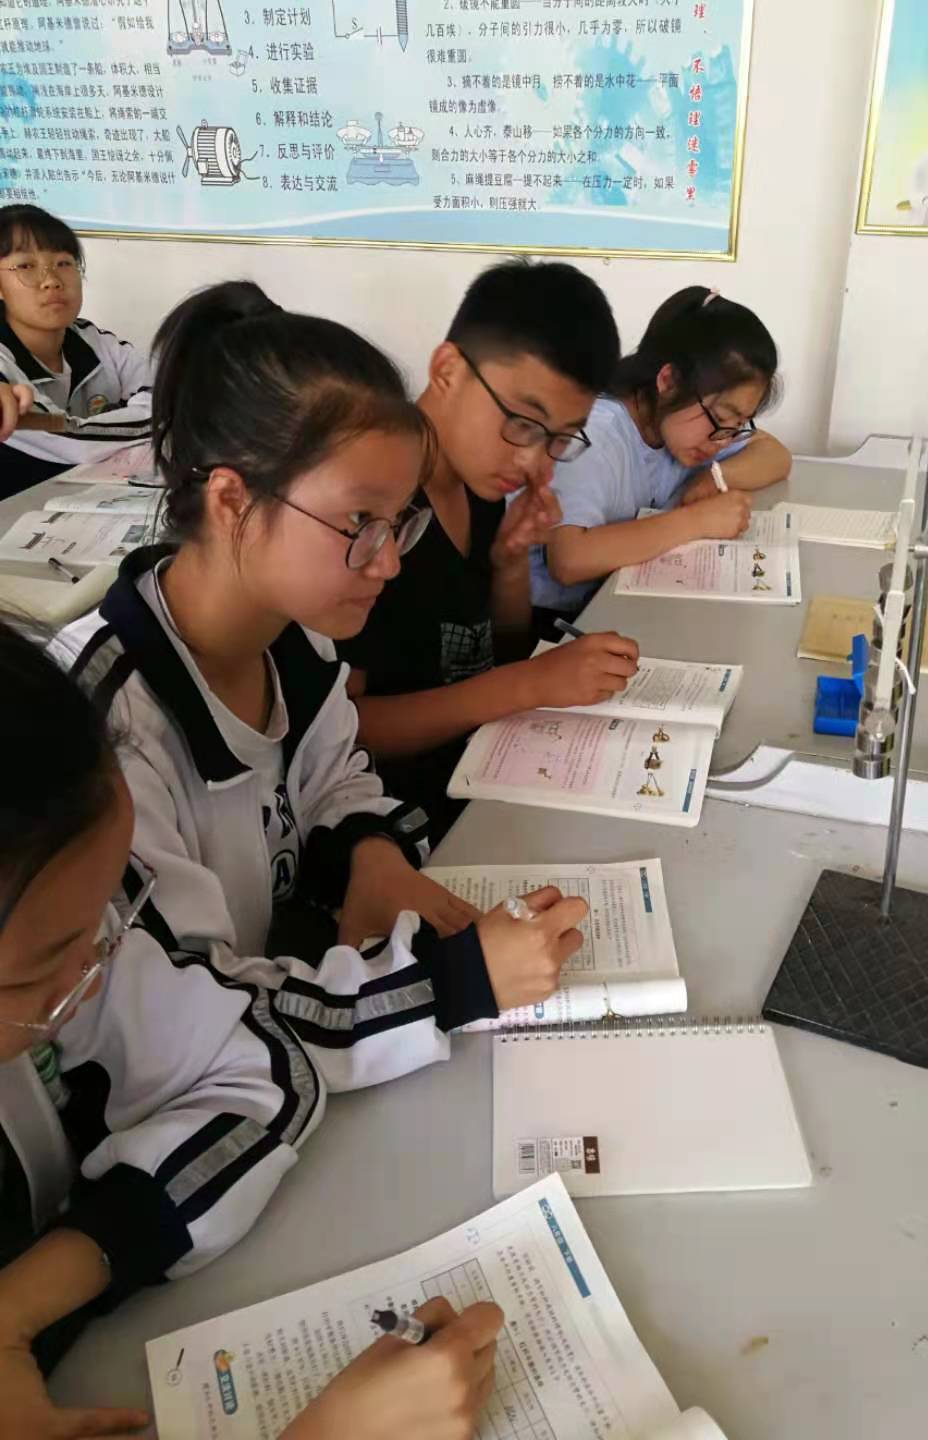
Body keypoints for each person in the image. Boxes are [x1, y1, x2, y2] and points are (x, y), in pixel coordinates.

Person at [0, 512, 576, 1427]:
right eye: (43, 972)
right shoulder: (117, 719)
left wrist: (22, 1305)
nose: (96, 973)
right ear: (233, 495)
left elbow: (258, 1069)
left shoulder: (72, 878)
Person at [337, 259, 640, 843]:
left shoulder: (478, 485)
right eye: (524, 424)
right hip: (396, 820)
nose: (535, 461)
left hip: (488, 771)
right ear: (447, 370)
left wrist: (509, 563)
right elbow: (345, 730)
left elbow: (491, 650)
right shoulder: (366, 508)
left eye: (561, 439)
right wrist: (526, 685)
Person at [529, 287, 792, 628]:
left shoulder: (685, 427)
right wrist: (698, 521)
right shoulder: (592, 435)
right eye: (721, 417)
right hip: (549, 622)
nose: (722, 440)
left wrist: (714, 477)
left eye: (738, 424)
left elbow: (775, 455)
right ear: (668, 380)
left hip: (619, 597)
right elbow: (568, 560)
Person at [0, 204, 154, 497]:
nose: (51, 281)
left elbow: (166, 394)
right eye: (26, 266)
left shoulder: (93, 340)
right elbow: (69, 438)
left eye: (63, 263)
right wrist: (151, 420)